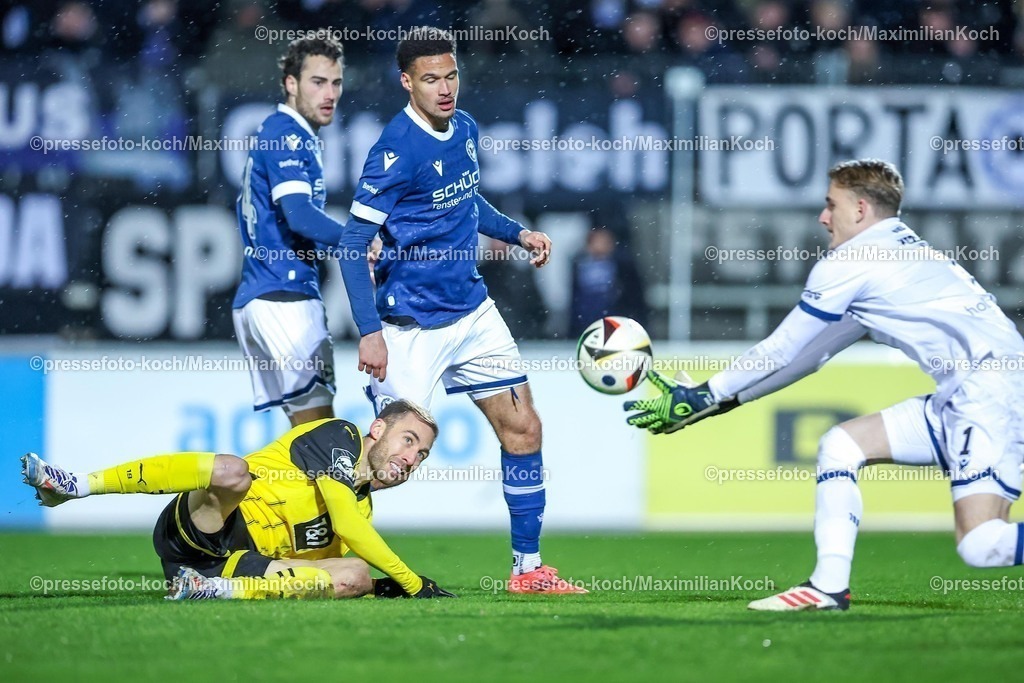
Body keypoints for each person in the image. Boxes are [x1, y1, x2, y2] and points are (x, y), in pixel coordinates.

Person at [625, 159, 1024, 611]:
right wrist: (720, 402)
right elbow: (809, 356)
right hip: (973, 390)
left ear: (859, 208)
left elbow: (781, 347)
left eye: (829, 204)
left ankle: (828, 588)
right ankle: (828, 587)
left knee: (981, 545)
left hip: (991, 394)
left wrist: (705, 394)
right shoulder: (896, 256)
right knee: (841, 445)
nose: (822, 216)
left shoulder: (853, 261)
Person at [338, 27, 586, 594]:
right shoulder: (393, 152)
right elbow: (353, 245)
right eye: (431, 79)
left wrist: (517, 232)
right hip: (409, 327)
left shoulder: (465, 128)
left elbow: (464, 198)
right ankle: (290, 534)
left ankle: (528, 570)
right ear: (407, 82)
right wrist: (369, 333)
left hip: (472, 313)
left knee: (524, 428)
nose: (445, 88)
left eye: (451, 75)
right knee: (380, 467)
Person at [21, 399, 456, 601]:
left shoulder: (363, 506)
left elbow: (321, 569)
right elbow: (346, 523)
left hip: (237, 564)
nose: (411, 457)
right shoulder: (338, 436)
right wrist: (414, 583)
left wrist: (376, 587)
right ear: (377, 429)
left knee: (355, 572)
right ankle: (77, 484)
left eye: (422, 454)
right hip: (207, 524)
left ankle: (213, 591)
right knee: (233, 472)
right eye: (408, 440)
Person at [232, 36, 348, 426]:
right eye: (318, 82)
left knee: (304, 440)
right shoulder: (288, 133)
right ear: (291, 83)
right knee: (324, 439)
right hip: (285, 297)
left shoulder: (286, 132)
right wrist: (358, 241)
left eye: (336, 82)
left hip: (262, 293)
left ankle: (238, 486)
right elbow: (298, 215)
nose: (329, 93)